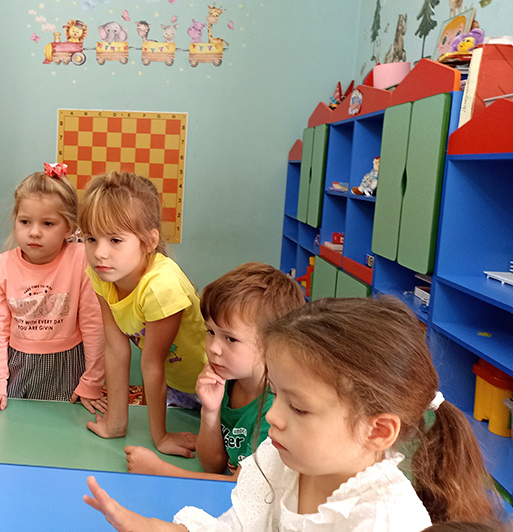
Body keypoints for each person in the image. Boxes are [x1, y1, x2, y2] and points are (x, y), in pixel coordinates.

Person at [84, 297, 505, 530]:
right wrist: (146, 525)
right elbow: (234, 528)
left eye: (298, 407)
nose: (272, 416)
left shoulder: (384, 520)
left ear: (377, 431)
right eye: (276, 395)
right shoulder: (282, 460)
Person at [124, 262, 305, 479]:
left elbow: (239, 485)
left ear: (274, 345)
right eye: (210, 331)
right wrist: (210, 411)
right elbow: (213, 465)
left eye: (231, 339)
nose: (213, 348)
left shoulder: (275, 408)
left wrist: (160, 471)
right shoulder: (228, 378)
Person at [79, 170, 207, 458]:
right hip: (176, 387)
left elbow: (152, 363)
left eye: (115, 240)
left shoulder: (161, 287)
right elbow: (115, 349)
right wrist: (115, 423)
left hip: (215, 385)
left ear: (149, 242)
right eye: (91, 238)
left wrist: (160, 437)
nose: (99, 253)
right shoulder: (102, 274)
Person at [0, 163, 105, 416]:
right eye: (25, 221)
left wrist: (92, 381)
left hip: (68, 364)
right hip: (17, 365)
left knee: (65, 424)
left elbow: (94, 325)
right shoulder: (0, 267)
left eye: (48, 223)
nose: (34, 232)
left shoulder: (81, 259)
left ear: (69, 227)